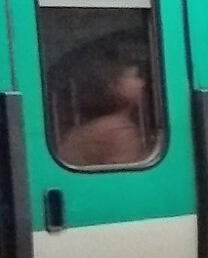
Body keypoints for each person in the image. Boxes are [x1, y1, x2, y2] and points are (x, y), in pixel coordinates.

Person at [53, 36, 153, 169]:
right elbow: (127, 182)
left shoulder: (87, 129)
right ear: (112, 85)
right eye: (135, 76)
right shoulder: (118, 131)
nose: (142, 83)